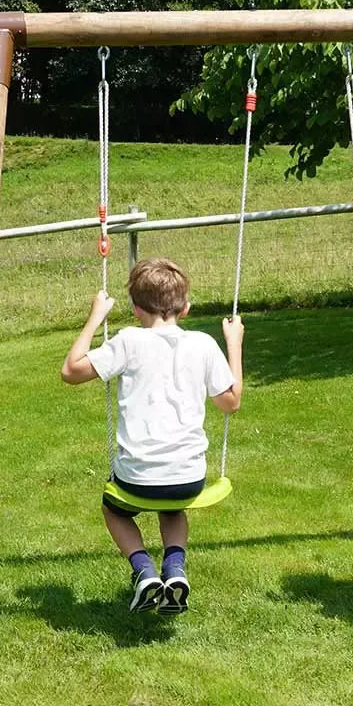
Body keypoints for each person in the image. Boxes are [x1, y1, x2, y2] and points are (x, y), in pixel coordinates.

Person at [61, 258, 244, 615]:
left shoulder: (129, 341)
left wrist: (96, 317)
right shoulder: (204, 344)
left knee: (114, 510)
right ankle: (174, 569)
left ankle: (144, 571)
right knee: (172, 507)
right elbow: (231, 401)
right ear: (186, 308)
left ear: (134, 309)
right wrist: (234, 344)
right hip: (188, 478)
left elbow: (70, 371)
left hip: (137, 479)